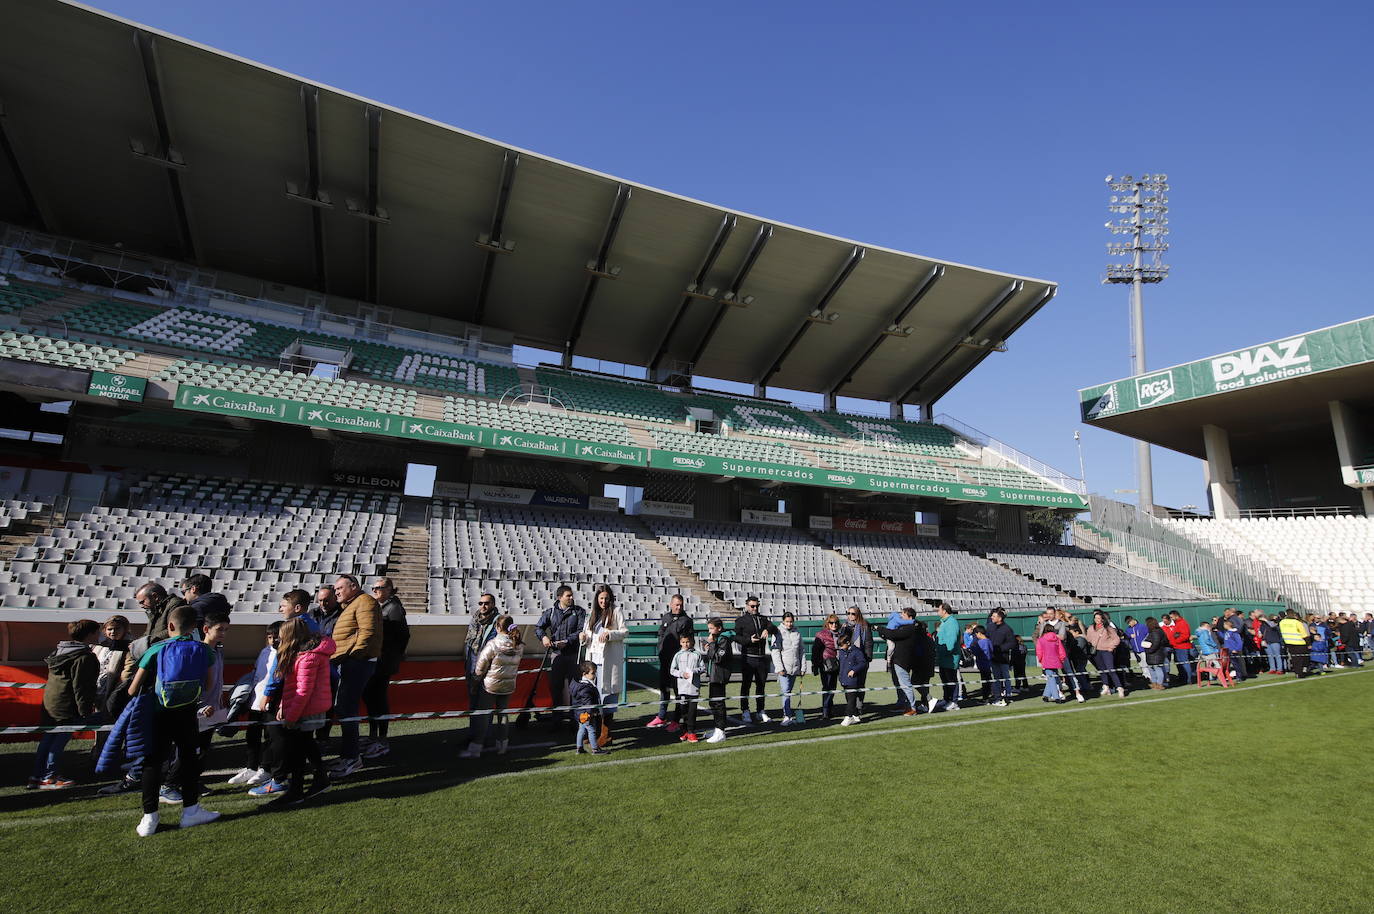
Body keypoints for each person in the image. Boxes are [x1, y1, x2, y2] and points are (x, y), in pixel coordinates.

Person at [125, 604, 219, 837]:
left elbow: (132, 688)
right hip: (187, 713)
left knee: (153, 763)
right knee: (188, 759)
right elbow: (207, 686)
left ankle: (149, 817)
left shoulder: (156, 649)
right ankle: (191, 810)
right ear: (195, 627)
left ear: (169, 626)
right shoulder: (204, 650)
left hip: (159, 712)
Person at [29, 619, 101, 790]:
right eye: (97, 632)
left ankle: (37, 775)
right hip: (66, 705)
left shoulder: (61, 651)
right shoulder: (83, 657)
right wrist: (84, 710)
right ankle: (49, 777)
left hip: (51, 702)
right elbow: (81, 686)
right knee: (59, 740)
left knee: (48, 738)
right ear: (90, 634)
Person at [273, 617, 335, 806]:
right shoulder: (303, 654)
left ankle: (297, 789)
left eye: (282, 637)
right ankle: (319, 779)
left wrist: (291, 715)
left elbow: (303, 690)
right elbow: (294, 687)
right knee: (306, 744)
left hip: (307, 709)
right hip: (304, 707)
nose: (278, 640)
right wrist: (285, 705)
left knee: (298, 749)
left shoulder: (308, 656)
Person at [327, 573, 381, 778]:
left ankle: (351, 758)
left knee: (347, 708)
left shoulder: (365, 601)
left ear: (354, 586)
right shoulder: (352, 604)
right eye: (335, 589)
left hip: (356, 662)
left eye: (340, 588)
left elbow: (367, 632)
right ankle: (349, 755)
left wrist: (354, 656)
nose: (336, 592)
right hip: (349, 662)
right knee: (343, 708)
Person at [228, 621, 282, 787]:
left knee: (269, 736)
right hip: (255, 700)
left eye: (276, 637)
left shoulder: (283, 653)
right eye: (270, 637)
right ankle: (251, 767)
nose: (273, 641)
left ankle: (265, 768)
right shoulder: (264, 651)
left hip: (270, 701)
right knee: (252, 735)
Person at [362, 577, 410, 759]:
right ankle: (374, 735)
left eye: (380, 588)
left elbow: (403, 635)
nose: (375, 591)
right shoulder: (384, 606)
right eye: (374, 588)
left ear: (389, 589)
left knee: (378, 698)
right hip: (378, 659)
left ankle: (380, 738)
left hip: (384, 661)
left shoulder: (394, 608)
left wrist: (394, 654)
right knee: (371, 697)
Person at [466, 615, 525, 758]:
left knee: (483, 716)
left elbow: (480, 668)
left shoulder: (492, 644)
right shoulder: (519, 645)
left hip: (490, 685)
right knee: (503, 715)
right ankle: (502, 746)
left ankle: (476, 748)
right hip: (509, 684)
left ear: (498, 627)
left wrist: (475, 681)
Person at [581, 584, 627, 746]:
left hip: (609, 662)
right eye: (601, 598)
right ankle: (593, 731)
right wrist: (583, 636)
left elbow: (624, 632)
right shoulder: (592, 613)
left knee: (607, 697)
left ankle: (606, 734)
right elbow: (588, 633)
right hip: (593, 661)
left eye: (606, 598)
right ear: (597, 599)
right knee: (593, 697)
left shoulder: (616, 611)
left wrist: (610, 634)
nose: (604, 601)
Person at [534, 585, 586, 726]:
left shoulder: (580, 611)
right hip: (556, 655)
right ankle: (556, 721)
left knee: (575, 689)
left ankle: (575, 723)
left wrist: (567, 641)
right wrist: (544, 637)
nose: (571, 598)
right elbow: (538, 627)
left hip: (573, 655)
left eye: (571, 595)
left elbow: (581, 630)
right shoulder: (550, 612)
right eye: (568, 595)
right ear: (559, 597)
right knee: (556, 689)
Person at [648, 594, 694, 731]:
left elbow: (689, 641)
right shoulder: (666, 617)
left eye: (681, 605)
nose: (679, 607)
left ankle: (676, 719)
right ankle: (662, 716)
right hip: (665, 659)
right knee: (664, 688)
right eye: (676, 604)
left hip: (679, 663)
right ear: (671, 604)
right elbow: (661, 633)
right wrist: (661, 648)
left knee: (679, 690)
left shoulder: (687, 620)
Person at [463, 593, 501, 751]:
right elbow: (468, 642)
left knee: (484, 704)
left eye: (486, 603)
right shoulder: (474, 619)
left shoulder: (499, 621)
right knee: (473, 703)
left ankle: (484, 736)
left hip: (488, 668)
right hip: (472, 665)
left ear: (492, 604)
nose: (483, 606)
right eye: (480, 603)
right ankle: (473, 735)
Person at [733, 595, 778, 724]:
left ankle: (760, 710)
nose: (755, 608)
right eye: (752, 606)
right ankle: (745, 710)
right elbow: (736, 637)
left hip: (761, 658)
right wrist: (749, 640)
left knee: (761, 686)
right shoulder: (741, 620)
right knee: (745, 685)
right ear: (747, 606)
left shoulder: (763, 619)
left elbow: (773, 627)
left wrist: (767, 629)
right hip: (748, 658)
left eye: (757, 606)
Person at [879, 607, 923, 716]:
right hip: (896, 659)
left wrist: (879, 629)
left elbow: (893, 634)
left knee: (905, 684)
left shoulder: (910, 628)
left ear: (910, 617)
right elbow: (891, 635)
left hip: (902, 660)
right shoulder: (904, 626)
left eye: (903, 614)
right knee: (898, 683)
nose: (901, 616)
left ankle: (912, 708)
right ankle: (902, 703)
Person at [770, 611, 806, 724]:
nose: (789, 624)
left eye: (791, 622)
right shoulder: (778, 632)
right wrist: (779, 668)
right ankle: (787, 716)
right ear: (783, 621)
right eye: (787, 622)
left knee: (789, 692)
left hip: (795, 668)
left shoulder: (797, 632)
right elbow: (775, 651)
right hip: (784, 669)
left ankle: (789, 715)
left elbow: (801, 650)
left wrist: (803, 667)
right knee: (785, 691)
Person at [837, 607, 872, 726]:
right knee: (849, 686)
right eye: (848, 613)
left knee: (860, 686)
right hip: (848, 659)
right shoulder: (844, 626)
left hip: (860, 659)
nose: (850, 615)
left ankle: (857, 711)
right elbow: (840, 641)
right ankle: (853, 711)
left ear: (857, 614)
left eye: (853, 613)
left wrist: (867, 659)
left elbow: (868, 643)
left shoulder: (864, 626)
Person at [701, 617, 733, 743]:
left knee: (718, 703)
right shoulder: (716, 639)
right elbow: (710, 657)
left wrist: (712, 644)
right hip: (713, 674)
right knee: (713, 702)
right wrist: (710, 647)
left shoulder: (723, 639)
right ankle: (717, 729)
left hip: (720, 675)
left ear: (719, 628)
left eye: (711, 628)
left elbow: (718, 659)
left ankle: (721, 731)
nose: (709, 632)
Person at [669, 633, 703, 742]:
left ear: (692, 642)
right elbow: (672, 670)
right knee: (684, 711)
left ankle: (692, 732)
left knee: (692, 711)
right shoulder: (678, 655)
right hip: (682, 689)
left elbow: (703, 668)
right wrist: (682, 674)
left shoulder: (697, 654)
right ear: (680, 642)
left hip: (694, 688)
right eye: (683, 642)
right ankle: (685, 731)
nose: (686, 644)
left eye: (688, 642)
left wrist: (694, 671)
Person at [1085, 610, 1126, 697]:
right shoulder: (1091, 628)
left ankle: (1119, 687)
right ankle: (1106, 686)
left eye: (1099, 618)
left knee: (1110, 669)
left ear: (1102, 619)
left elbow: (1116, 639)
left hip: (1106, 651)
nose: (1097, 620)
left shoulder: (1108, 628)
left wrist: (1111, 647)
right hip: (1096, 652)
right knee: (1102, 670)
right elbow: (1088, 639)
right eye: (1095, 618)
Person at [570, 661, 605, 755]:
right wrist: (591, 713)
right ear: (584, 674)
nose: (595, 675)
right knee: (592, 730)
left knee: (581, 729)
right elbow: (588, 703)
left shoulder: (577, 684)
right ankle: (595, 749)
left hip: (579, 713)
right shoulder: (585, 688)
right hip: (586, 714)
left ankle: (579, 748)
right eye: (593, 673)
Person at [812, 613, 841, 720]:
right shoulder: (821, 634)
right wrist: (815, 665)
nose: (834, 625)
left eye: (836, 623)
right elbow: (815, 651)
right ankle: (825, 711)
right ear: (827, 623)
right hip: (826, 664)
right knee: (827, 687)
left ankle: (829, 710)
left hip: (838, 663)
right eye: (831, 623)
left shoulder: (840, 633)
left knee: (833, 688)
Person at [934, 603, 962, 711]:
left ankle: (954, 702)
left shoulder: (951, 622)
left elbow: (952, 640)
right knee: (945, 679)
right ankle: (947, 699)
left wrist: (946, 652)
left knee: (951, 679)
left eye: (939, 610)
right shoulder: (944, 623)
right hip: (943, 658)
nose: (938, 612)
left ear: (944, 611)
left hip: (950, 658)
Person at [985, 608, 1016, 705]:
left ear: (1000, 618)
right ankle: (998, 697)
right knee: (996, 678)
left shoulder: (1007, 629)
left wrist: (1000, 648)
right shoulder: (990, 627)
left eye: (994, 616)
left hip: (1003, 658)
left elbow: (1012, 643)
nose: (991, 617)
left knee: (1006, 676)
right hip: (993, 658)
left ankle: (1008, 695)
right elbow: (987, 639)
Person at [1058, 611, 1089, 703]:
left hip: (1074, 655)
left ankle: (1082, 688)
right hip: (1069, 654)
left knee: (1078, 670)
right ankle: (1079, 687)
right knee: (1074, 671)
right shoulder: (1064, 627)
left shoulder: (1078, 636)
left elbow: (1079, 644)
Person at [1035, 624, 1067, 703]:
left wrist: (1041, 660)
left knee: (1051, 679)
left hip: (1047, 662)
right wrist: (1062, 658)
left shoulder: (1041, 640)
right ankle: (1046, 695)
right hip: (1056, 661)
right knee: (1052, 679)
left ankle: (1056, 697)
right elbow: (1061, 650)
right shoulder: (1057, 639)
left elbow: (1039, 652)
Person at [1161, 612, 1194, 686]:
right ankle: (1183, 678)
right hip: (1178, 646)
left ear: (1176, 616)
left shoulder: (1182, 623)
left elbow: (1185, 635)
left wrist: (1175, 641)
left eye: (1172, 617)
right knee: (1180, 664)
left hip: (1182, 647)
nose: (1171, 619)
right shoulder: (1178, 623)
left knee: (1184, 663)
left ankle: (1188, 679)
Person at [1279, 609, 1311, 677]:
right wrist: (1308, 644)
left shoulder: (1282, 622)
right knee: (1302, 659)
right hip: (1299, 642)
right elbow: (1304, 634)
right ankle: (1300, 673)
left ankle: (1297, 672)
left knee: (1294, 659)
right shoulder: (1297, 622)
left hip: (1289, 642)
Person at [1140, 617, 1170, 690]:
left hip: (1156, 654)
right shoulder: (1153, 632)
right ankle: (1154, 683)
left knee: (1158, 669)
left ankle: (1160, 684)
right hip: (1151, 654)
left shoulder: (1156, 632)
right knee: (1151, 669)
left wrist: (1149, 650)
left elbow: (1156, 643)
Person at [970, 625, 994, 703]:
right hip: (988, 664)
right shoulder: (989, 640)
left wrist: (972, 647)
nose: (976, 636)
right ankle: (990, 696)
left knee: (985, 682)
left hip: (984, 664)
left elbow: (977, 652)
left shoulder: (981, 642)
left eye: (976, 634)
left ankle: (985, 698)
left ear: (979, 633)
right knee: (988, 680)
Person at [1195, 621, 1221, 685]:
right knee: (1217, 664)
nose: (1208, 627)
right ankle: (1221, 675)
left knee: (1208, 665)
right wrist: (1214, 645)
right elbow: (1207, 640)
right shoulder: (1205, 631)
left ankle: (1210, 677)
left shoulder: (1199, 632)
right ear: (1203, 626)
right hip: (1210, 650)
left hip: (1205, 651)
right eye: (1207, 626)